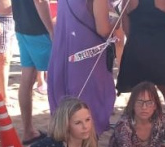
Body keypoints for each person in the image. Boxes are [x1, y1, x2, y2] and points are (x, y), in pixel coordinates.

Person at [117, 0, 165, 117]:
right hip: (162, 48)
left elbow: (126, 25)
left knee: (138, 99)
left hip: (137, 48)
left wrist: (135, 39)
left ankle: (139, 131)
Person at [48, 0, 115, 134]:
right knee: (88, 107)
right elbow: (104, 29)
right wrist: (116, 19)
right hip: (87, 56)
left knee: (65, 106)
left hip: (63, 53)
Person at [12, 0, 54, 144]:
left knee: (27, 80)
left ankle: (28, 130)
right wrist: (51, 30)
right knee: (57, 80)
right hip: (38, 29)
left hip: (22, 26)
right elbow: (40, 1)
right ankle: (58, 132)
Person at [0, 0, 15, 100]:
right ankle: (3, 95)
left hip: (11, 17)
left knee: (6, 58)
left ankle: (2, 91)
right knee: (2, 59)